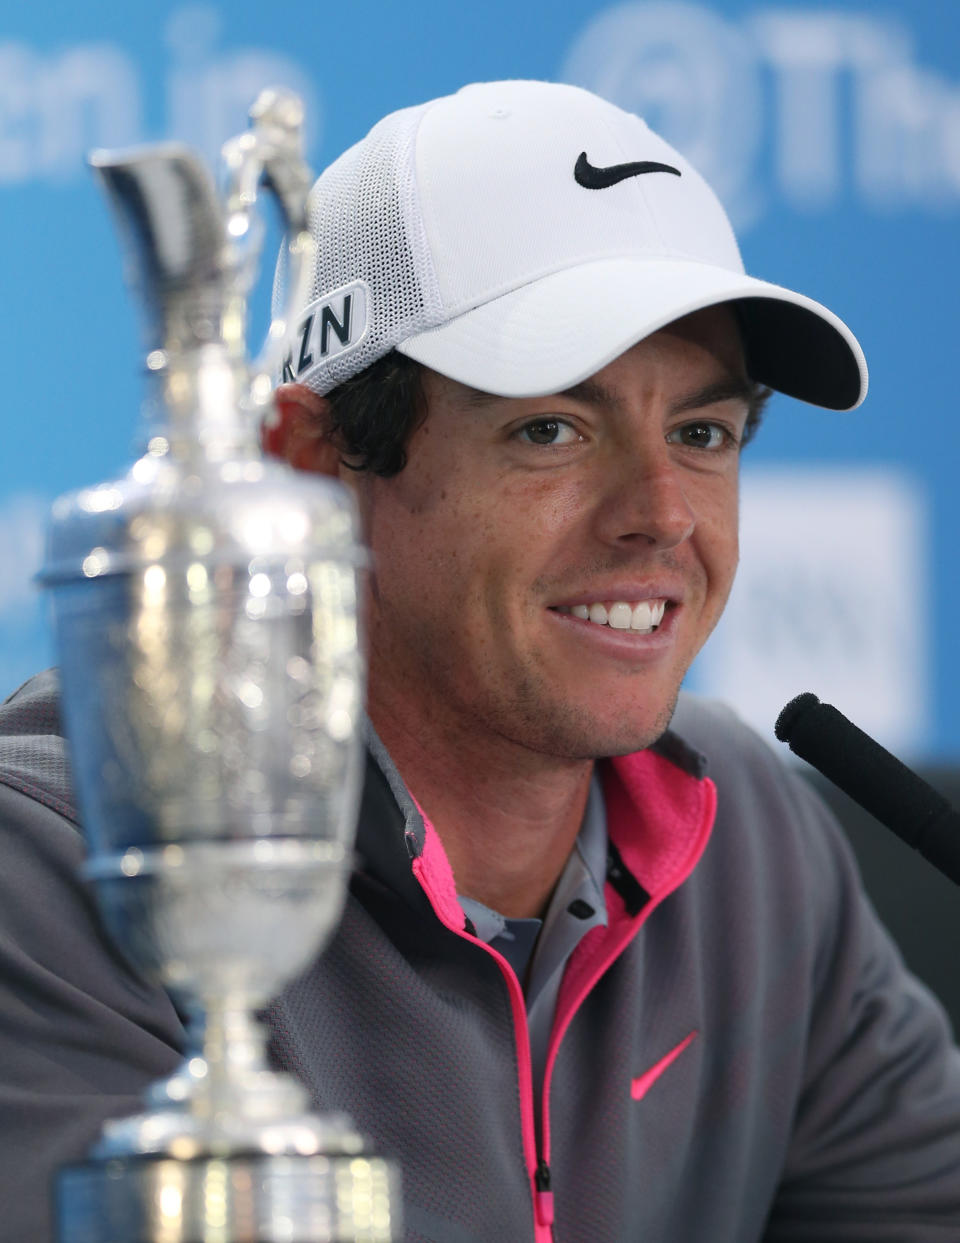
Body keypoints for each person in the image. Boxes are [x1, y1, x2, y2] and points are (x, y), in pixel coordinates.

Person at [2, 79, 959, 1242]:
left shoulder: (747, 829)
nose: (661, 515)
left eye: (701, 435)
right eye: (550, 429)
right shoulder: (55, 864)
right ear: (310, 464)